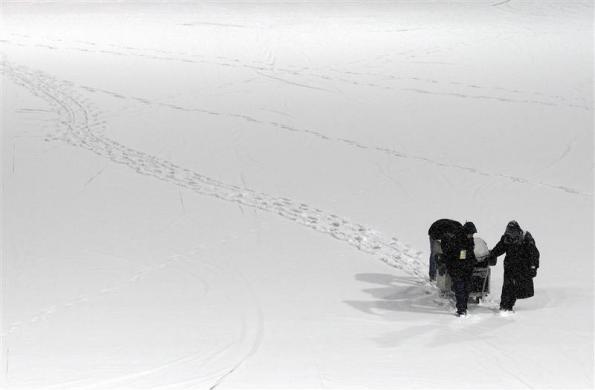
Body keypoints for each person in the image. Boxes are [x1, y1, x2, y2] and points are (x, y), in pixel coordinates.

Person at [488, 221, 540, 312]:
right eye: (508, 232)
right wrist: (492, 255)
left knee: (516, 286)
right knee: (507, 285)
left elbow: (534, 254)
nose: (510, 234)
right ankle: (504, 305)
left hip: (522, 266)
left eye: (512, 232)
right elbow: (499, 248)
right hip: (509, 265)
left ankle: (509, 305)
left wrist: (533, 267)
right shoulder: (506, 238)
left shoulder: (526, 239)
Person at [442, 221, 478, 316]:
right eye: (471, 233)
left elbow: (470, 253)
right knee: (460, 288)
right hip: (456, 267)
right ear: (466, 232)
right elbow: (456, 255)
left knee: (467, 288)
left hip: (466, 268)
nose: (472, 235)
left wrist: (473, 261)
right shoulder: (457, 240)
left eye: (472, 234)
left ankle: (464, 307)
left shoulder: (469, 240)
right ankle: (461, 309)